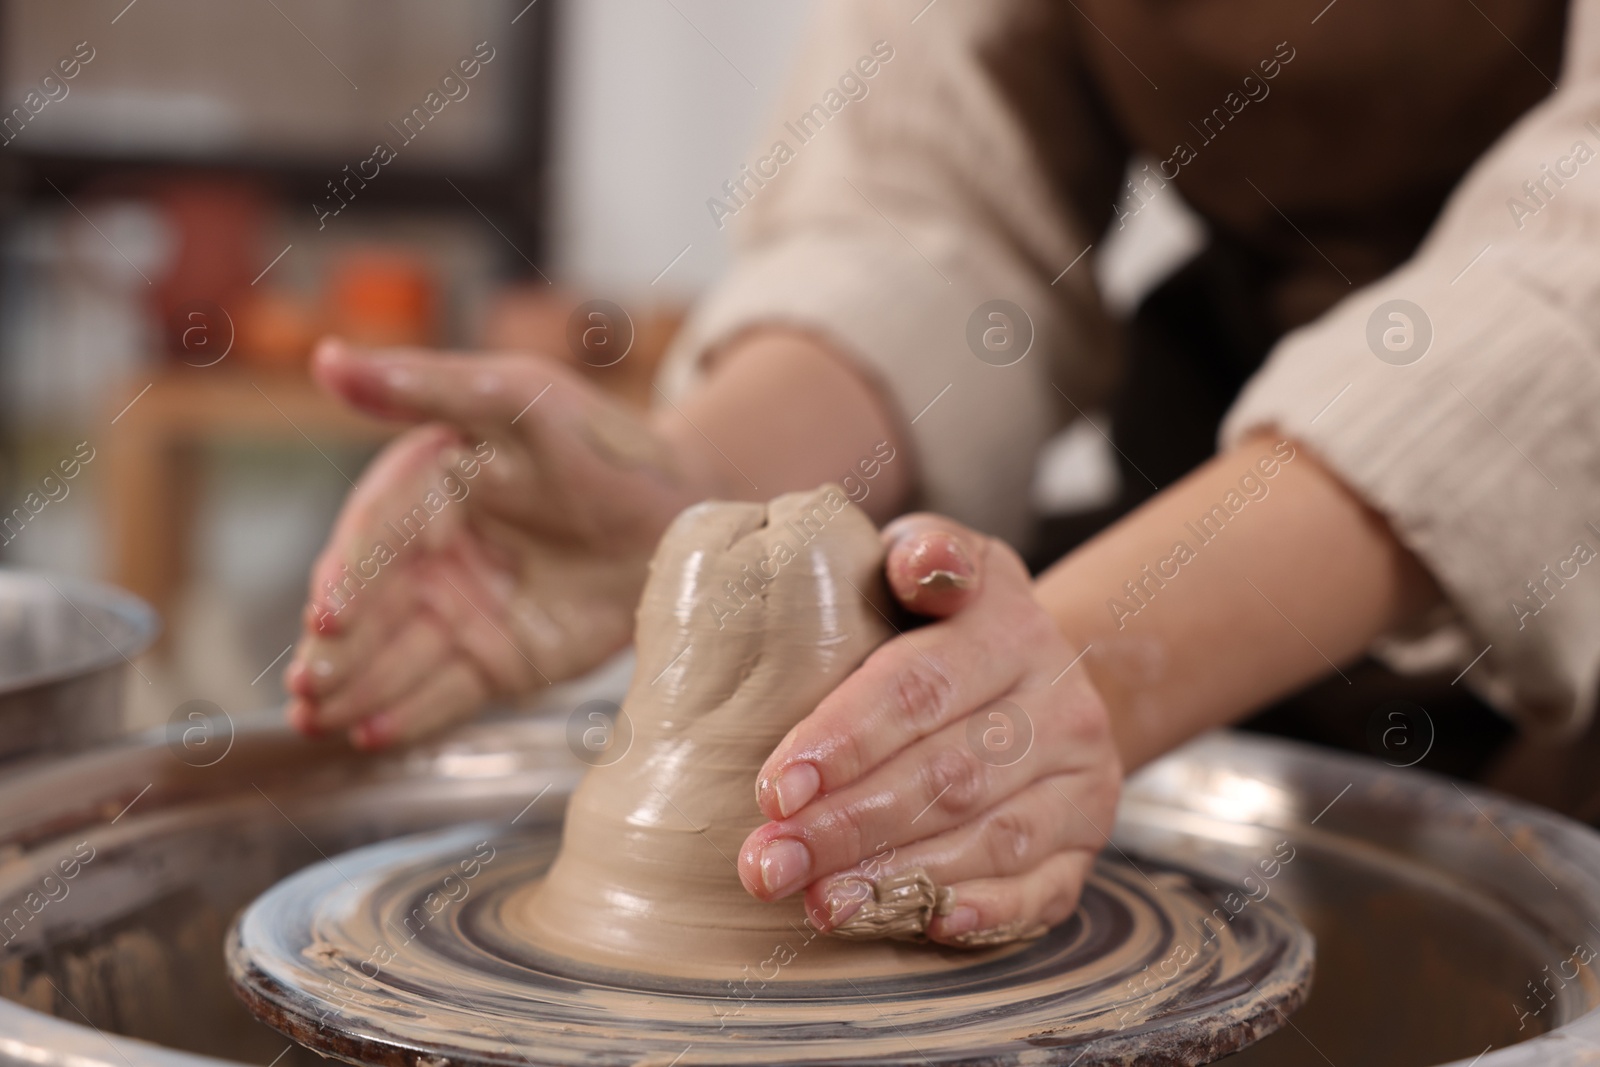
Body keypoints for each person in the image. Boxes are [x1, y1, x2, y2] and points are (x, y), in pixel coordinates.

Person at [284, 0, 1600, 947]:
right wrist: (698, 495)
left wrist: (1094, 668)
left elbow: (1566, 294)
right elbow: (933, 206)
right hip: (1219, 484)